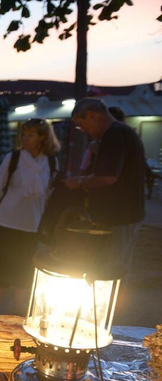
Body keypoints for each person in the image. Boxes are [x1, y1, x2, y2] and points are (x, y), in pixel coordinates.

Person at [0, 118, 60, 315]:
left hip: (33, 222)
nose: (25, 139)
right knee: (1, 263)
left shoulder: (50, 161)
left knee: (24, 264)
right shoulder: (14, 158)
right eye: (23, 135)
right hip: (7, 219)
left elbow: (50, 194)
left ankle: (19, 306)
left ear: (42, 137)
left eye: (30, 135)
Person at [66, 98, 146, 265]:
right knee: (114, 266)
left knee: (109, 268)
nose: (83, 130)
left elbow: (108, 177)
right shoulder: (121, 133)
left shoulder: (114, 134)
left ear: (91, 115)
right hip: (123, 215)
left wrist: (79, 182)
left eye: (81, 124)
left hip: (118, 217)